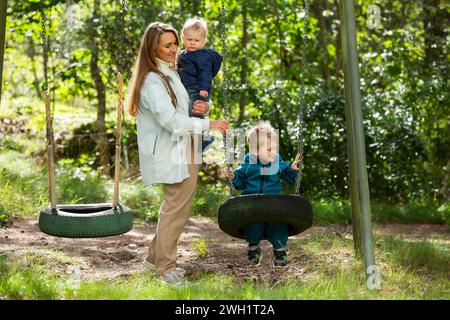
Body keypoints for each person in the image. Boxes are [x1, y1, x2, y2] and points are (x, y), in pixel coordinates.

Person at [126, 22, 228, 285]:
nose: (175, 49)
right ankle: (165, 268)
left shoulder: (170, 73)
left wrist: (202, 109)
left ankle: (153, 258)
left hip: (186, 145)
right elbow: (171, 121)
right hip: (174, 150)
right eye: (167, 45)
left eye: (175, 43)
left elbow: (184, 110)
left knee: (175, 207)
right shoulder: (152, 80)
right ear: (153, 49)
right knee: (176, 209)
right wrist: (209, 125)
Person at [227, 122, 301, 267]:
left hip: (274, 203)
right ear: (255, 151)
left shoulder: (277, 160)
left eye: (274, 148)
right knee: (253, 225)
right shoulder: (248, 163)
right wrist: (233, 177)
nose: (273, 152)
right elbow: (239, 183)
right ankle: (253, 248)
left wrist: (292, 169)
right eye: (268, 149)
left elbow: (288, 177)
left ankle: (280, 250)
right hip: (252, 203)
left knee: (278, 224)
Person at [177, 17, 223, 153]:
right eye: (189, 39)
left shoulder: (202, 56)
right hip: (187, 89)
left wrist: (204, 88)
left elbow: (205, 73)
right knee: (190, 112)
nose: (192, 43)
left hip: (198, 89)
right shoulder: (182, 54)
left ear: (203, 41)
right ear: (183, 38)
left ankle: (204, 139)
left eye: (196, 40)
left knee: (194, 111)